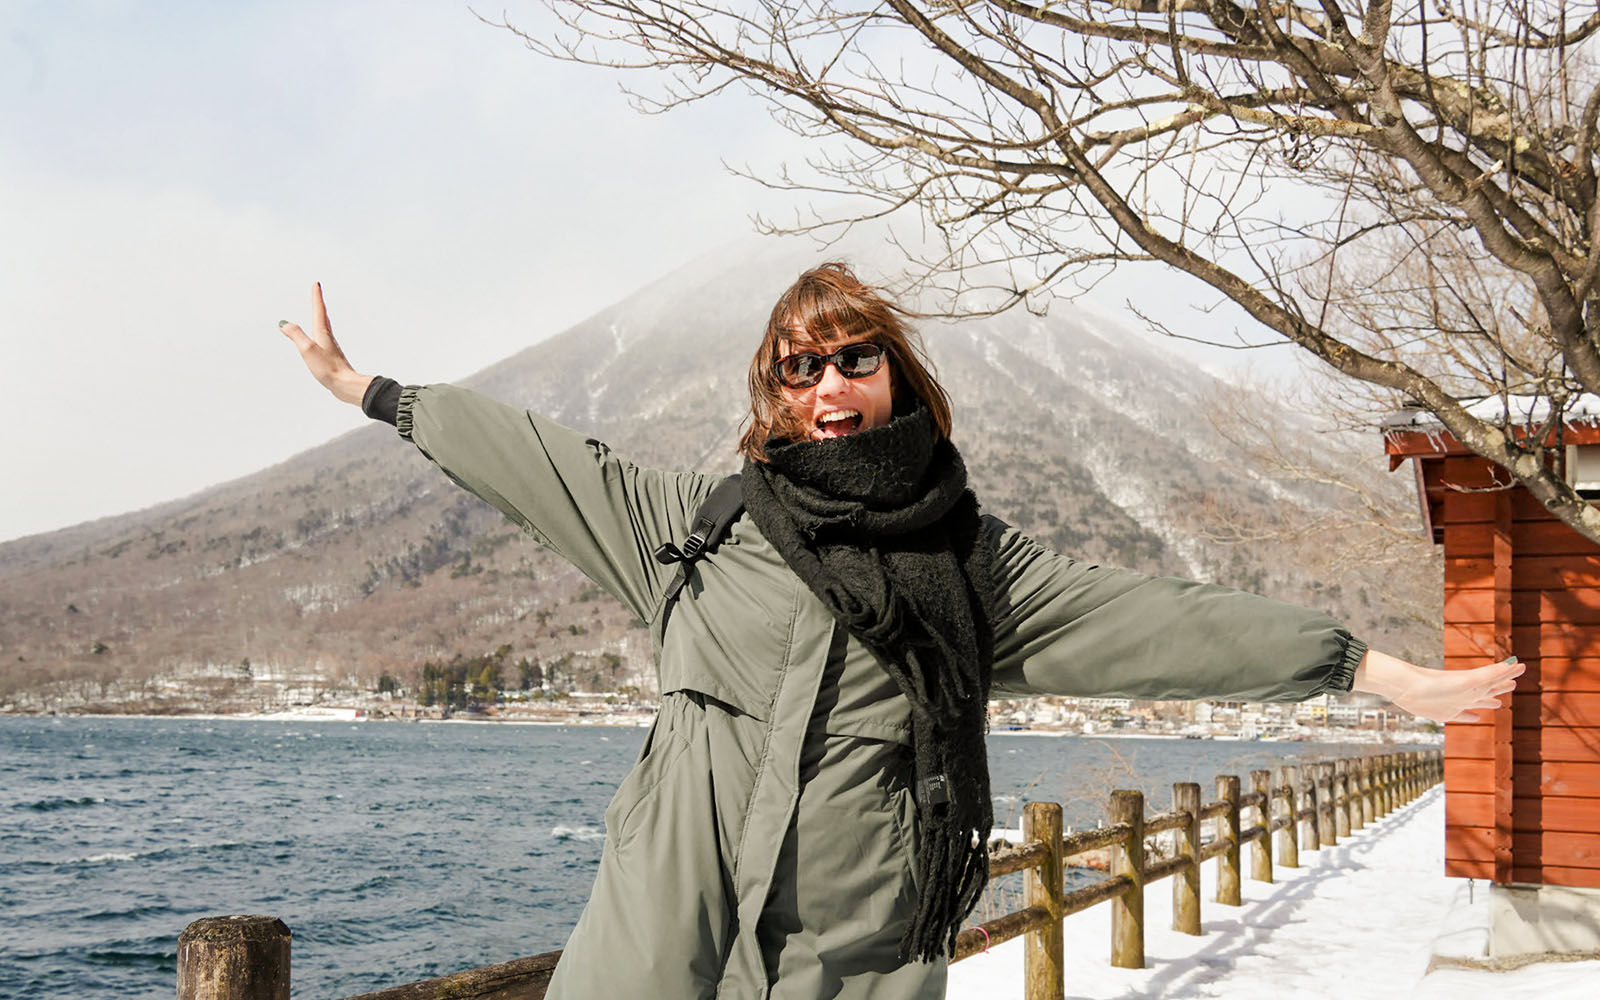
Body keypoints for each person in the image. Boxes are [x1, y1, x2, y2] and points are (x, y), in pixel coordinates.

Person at [278, 265, 1521, 1000]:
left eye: (852, 358)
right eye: (797, 367)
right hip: (661, 938)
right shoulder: (695, 530)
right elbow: (540, 460)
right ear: (772, 394)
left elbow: (1153, 620)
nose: (828, 387)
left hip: (854, 953)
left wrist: (1362, 668)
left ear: (896, 376)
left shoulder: (970, 568)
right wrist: (379, 394)